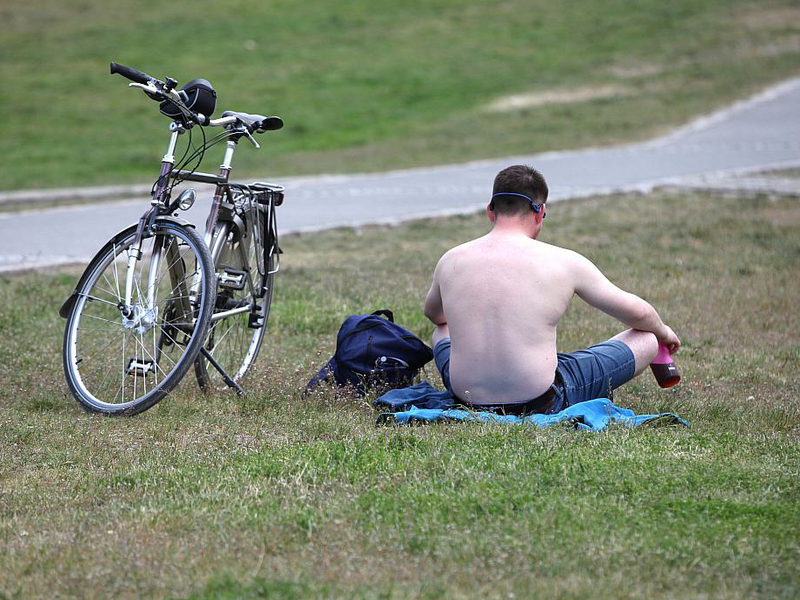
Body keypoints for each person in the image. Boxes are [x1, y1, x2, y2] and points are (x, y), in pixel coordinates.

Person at [423, 164, 681, 415]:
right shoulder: (564, 261)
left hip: (466, 398)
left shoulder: (451, 259)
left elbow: (435, 315)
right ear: (540, 212)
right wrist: (663, 332)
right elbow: (638, 313)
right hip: (541, 400)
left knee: (442, 331)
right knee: (646, 338)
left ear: (491, 211)